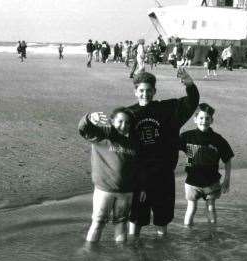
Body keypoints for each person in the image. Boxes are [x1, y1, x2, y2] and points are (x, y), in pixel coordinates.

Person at [127, 69, 199, 237]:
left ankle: (162, 256)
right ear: (135, 91)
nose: (145, 94)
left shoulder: (167, 110)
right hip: (139, 177)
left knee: (162, 220)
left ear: (155, 91)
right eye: (141, 90)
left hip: (164, 175)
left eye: (149, 90)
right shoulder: (129, 114)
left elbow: (192, 102)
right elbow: (112, 133)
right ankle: (132, 253)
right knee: (136, 220)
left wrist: (189, 83)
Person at [78, 108, 138, 243]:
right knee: (98, 222)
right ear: (112, 121)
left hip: (126, 192)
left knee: (121, 223)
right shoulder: (103, 134)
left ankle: (121, 254)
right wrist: (89, 118)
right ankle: (89, 252)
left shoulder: (134, 143)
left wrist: (141, 187)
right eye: (120, 121)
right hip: (105, 190)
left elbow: (138, 168)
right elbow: (83, 129)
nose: (124, 126)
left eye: (127, 123)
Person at [179, 103, 234, 226]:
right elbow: (171, 148)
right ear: (195, 119)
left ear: (212, 120)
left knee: (211, 208)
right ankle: (187, 232)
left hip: (212, 181)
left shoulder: (218, 139)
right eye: (201, 118)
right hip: (192, 181)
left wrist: (227, 180)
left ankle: (213, 233)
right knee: (191, 208)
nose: (204, 121)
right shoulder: (187, 136)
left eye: (207, 118)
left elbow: (228, 160)